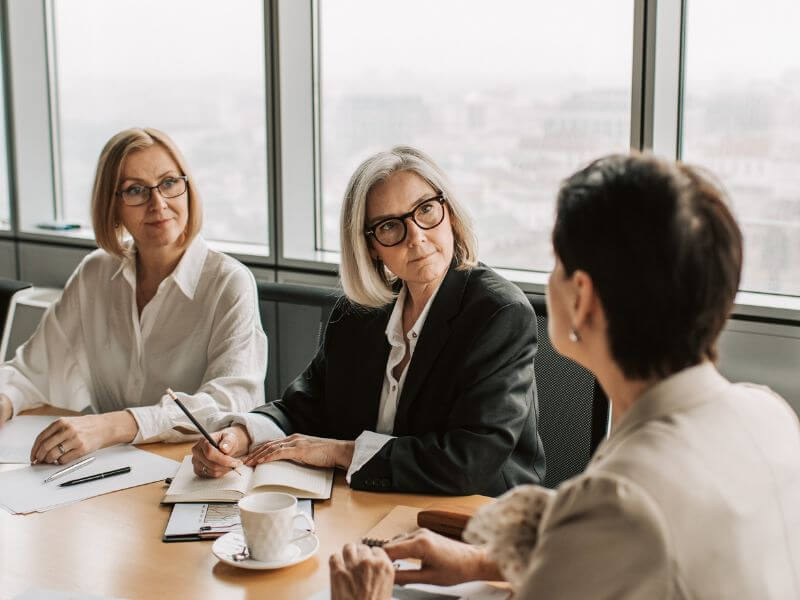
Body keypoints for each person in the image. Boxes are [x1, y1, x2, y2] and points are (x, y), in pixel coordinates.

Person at [328, 153, 800, 599]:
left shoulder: (619, 499)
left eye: (556, 263)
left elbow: (621, 532)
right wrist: (479, 563)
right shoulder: (770, 414)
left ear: (584, 298)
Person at [192, 146, 545, 495]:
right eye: (391, 226)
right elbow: (304, 407)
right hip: (369, 505)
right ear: (371, 246)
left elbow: (470, 461)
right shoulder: (357, 314)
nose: (417, 236)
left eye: (425, 210)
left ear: (448, 212)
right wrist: (240, 436)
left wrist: (337, 451)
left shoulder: (498, 314)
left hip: (475, 515)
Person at [0, 128, 267, 465]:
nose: (158, 203)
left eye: (169, 182)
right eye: (135, 190)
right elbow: (31, 370)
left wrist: (114, 425)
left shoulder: (229, 282)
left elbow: (230, 402)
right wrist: (5, 399)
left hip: (195, 472)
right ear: (112, 207)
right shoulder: (95, 273)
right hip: (109, 472)